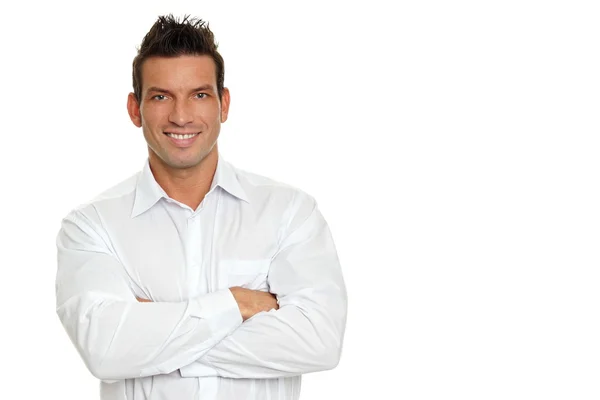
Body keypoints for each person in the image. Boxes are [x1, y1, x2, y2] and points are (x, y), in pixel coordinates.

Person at [54, 14, 347, 400]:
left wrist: (152, 333)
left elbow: (319, 341)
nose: (181, 116)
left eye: (199, 94)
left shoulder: (290, 213)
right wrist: (237, 304)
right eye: (161, 96)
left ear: (223, 104)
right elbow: (106, 350)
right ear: (134, 109)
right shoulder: (91, 226)